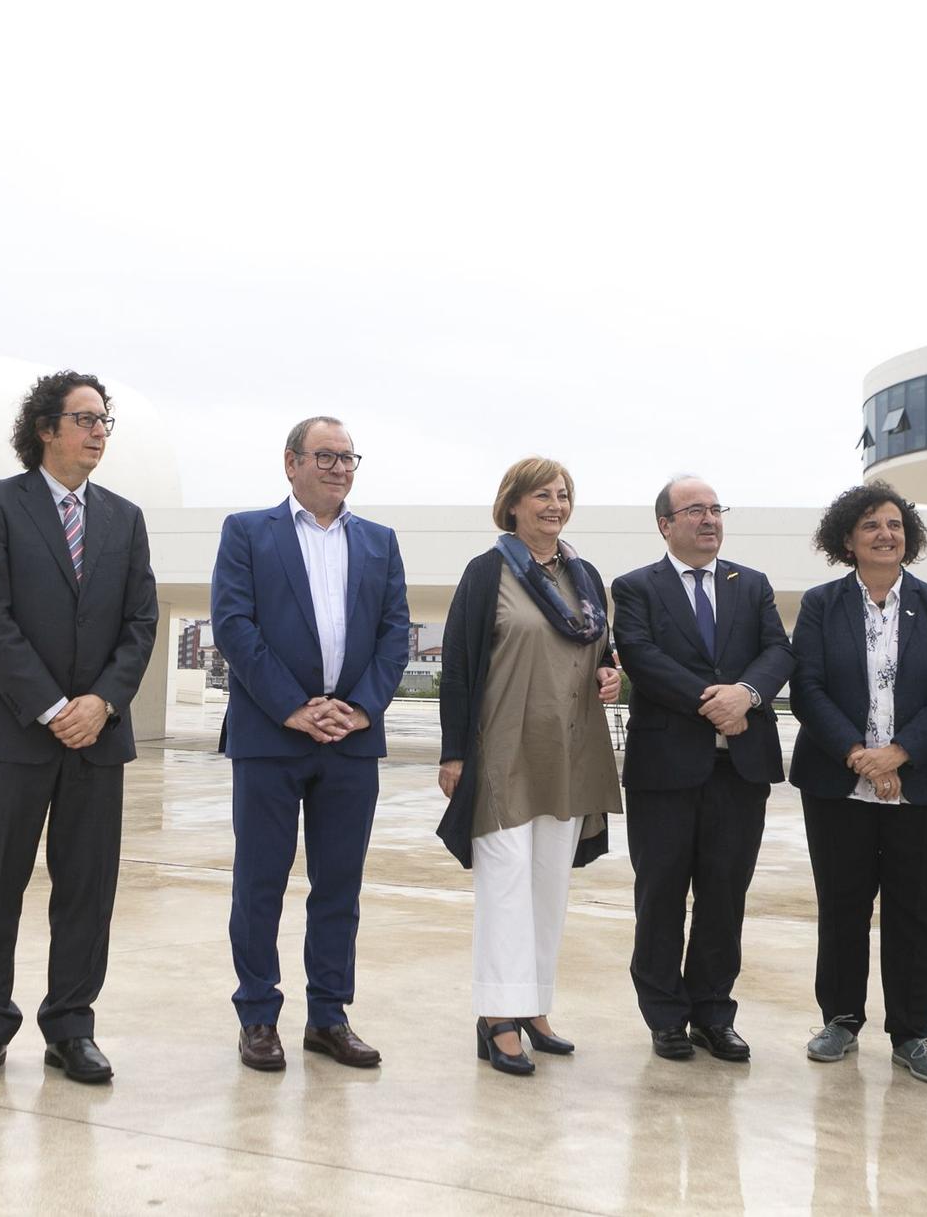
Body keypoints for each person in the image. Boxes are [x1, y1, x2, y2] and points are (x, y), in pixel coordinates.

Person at [0, 371, 159, 1089]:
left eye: (105, 420)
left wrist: (99, 702)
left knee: (87, 890)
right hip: (11, 733)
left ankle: (71, 1027)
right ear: (46, 427)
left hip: (98, 739)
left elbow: (140, 623)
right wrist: (51, 706)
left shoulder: (125, 519)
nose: (100, 430)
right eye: (85, 418)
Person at [212, 416, 410, 1073]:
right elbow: (234, 625)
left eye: (349, 457)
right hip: (271, 737)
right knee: (259, 882)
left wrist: (357, 708)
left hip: (351, 742)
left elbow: (394, 632)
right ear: (291, 462)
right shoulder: (247, 532)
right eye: (325, 456)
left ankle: (329, 1015)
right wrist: (294, 707)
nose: (339, 467)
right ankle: (258, 1016)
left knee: (339, 888)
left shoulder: (380, 542)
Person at [436, 458, 623, 1076]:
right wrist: (453, 753)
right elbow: (459, 666)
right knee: (505, 886)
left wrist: (610, 671)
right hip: (503, 751)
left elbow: (602, 646)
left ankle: (535, 1006)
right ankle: (497, 1017)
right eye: (542, 494)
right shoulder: (488, 572)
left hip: (570, 750)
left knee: (550, 884)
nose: (555, 504)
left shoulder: (584, 574)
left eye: (564, 494)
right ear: (512, 504)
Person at [788, 482, 927, 1086]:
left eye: (894, 524)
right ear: (847, 538)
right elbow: (808, 689)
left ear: (908, 536)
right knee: (842, 905)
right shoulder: (821, 604)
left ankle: (913, 1032)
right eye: (870, 525)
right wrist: (860, 757)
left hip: (925, 784)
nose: (885, 534)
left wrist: (898, 755)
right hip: (838, 782)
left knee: (917, 911)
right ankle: (840, 1019)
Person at [612, 476, 793, 1063]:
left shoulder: (753, 584)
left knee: (724, 894)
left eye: (716, 510)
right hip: (665, 767)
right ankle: (665, 1015)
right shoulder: (637, 587)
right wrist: (713, 702)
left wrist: (746, 693)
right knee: (660, 892)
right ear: (665, 524)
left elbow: (779, 652)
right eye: (695, 510)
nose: (710, 519)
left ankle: (715, 1013)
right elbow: (642, 656)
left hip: (740, 769)